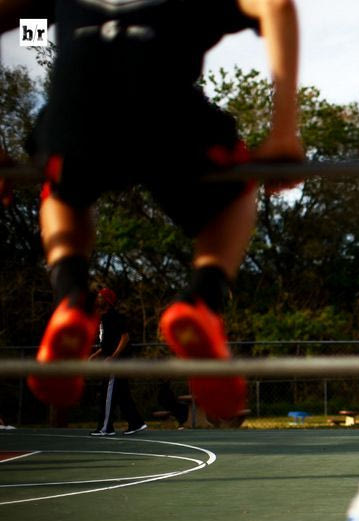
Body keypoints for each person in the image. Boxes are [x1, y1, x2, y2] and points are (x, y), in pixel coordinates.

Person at [0, 0, 303, 421]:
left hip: (75, 117)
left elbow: (19, 25)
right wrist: (283, 131)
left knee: (62, 190)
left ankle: (71, 294)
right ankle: (203, 299)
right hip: (166, 111)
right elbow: (277, 6)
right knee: (236, 189)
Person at [88, 288, 146, 436]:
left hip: (116, 363)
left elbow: (125, 338)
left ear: (107, 301)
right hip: (113, 360)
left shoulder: (113, 316)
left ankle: (105, 428)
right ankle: (136, 423)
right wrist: (95, 355)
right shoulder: (104, 318)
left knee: (107, 394)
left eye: (100, 297)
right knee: (122, 393)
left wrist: (113, 357)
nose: (98, 299)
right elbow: (107, 344)